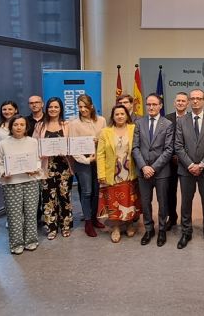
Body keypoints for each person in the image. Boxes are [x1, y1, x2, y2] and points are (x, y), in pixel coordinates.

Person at [175, 89, 204, 249]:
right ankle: (186, 232)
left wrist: (201, 165)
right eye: (192, 98)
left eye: (198, 98)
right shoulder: (181, 120)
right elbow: (178, 146)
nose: (195, 101)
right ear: (188, 101)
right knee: (186, 202)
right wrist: (190, 165)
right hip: (186, 170)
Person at [0, 115, 43, 254]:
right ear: (11, 127)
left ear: (26, 127)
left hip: (30, 181)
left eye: (22, 124)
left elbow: (38, 160)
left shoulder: (33, 142)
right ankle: (16, 244)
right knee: (14, 214)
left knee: (31, 213)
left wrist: (35, 169)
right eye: (16, 124)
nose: (19, 127)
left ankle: (31, 241)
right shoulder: (3, 144)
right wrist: (4, 173)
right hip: (12, 183)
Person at [132, 94, 174, 246]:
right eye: (148, 104)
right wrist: (144, 166)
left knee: (162, 202)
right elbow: (135, 147)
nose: (151, 107)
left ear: (160, 106)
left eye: (154, 104)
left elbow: (169, 149)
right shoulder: (139, 123)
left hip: (161, 171)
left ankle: (162, 230)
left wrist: (153, 168)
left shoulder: (167, 124)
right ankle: (149, 229)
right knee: (145, 201)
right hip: (143, 171)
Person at [96, 105, 140, 243]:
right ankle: (115, 227)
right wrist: (101, 173)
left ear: (127, 115)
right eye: (117, 114)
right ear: (113, 116)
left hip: (130, 171)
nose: (120, 116)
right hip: (112, 173)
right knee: (113, 202)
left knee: (130, 200)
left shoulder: (134, 129)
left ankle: (129, 224)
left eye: (122, 113)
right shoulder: (105, 132)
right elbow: (100, 154)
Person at [33, 97, 74, 240]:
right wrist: (40, 153)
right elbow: (34, 145)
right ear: (47, 108)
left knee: (64, 197)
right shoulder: (40, 126)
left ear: (61, 109)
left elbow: (72, 144)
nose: (53, 109)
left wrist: (67, 150)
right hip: (47, 166)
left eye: (56, 107)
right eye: (50, 107)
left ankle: (66, 226)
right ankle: (51, 227)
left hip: (64, 167)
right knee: (48, 198)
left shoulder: (67, 125)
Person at [68, 94, 106, 237]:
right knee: (87, 191)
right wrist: (86, 160)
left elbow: (106, 139)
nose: (83, 109)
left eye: (85, 106)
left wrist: (98, 142)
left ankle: (95, 218)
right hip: (83, 161)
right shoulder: (74, 124)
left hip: (99, 160)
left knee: (96, 191)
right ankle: (88, 222)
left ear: (91, 106)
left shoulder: (101, 120)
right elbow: (73, 147)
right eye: (80, 107)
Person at [164, 92, 189, 230]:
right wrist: (172, 155)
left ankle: (187, 220)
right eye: (178, 100)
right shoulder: (166, 119)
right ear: (174, 103)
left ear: (187, 104)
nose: (180, 103)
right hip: (170, 162)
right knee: (170, 191)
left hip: (186, 162)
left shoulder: (192, 119)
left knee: (186, 193)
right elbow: (164, 140)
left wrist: (182, 156)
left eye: (183, 101)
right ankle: (172, 217)